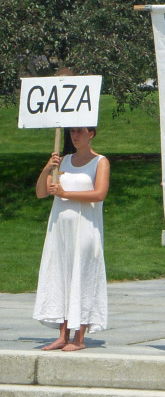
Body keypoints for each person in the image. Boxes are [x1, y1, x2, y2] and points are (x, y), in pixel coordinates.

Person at [33, 126, 109, 351]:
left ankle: (80, 337)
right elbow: (41, 192)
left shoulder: (100, 162)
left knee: (82, 276)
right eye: (72, 132)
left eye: (79, 132)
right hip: (60, 230)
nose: (74, 136)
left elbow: (99, 193)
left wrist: (66, 194)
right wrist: (48, 168)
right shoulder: (63, 161)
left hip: (85, 228)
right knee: (61, 276)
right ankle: (63, 334)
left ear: (91, 134)